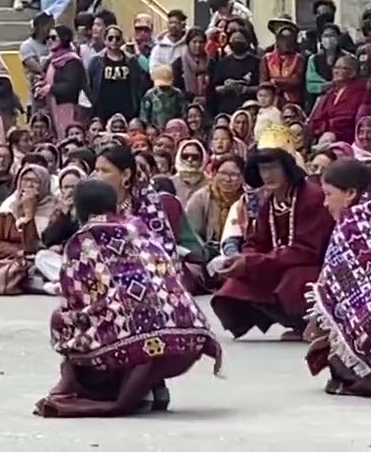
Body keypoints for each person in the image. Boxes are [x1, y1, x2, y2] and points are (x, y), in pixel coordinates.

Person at [34, 178, 223, 417]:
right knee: (141, 320)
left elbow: (75, 301)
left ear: (80, 209)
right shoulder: (139, 226)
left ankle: (99, 389)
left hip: (140, 346)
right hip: (188, 338)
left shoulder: (83, 240)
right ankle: (152, 385)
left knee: (64, 322)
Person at [211, 124, 335, 340]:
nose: (267, 175)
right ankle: (294, 324)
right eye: (263, 168)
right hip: (278, 264)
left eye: (273, 167)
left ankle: (315, 325)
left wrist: (253, 262)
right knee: (234, 286)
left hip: (318, 269)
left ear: (288, 166)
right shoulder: (268, 202)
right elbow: (255, 242)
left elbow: (307, 251)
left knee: (294, 280)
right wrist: (242, 260)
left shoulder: (312, 197)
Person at [307, 159, 371, 396]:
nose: (325, 203)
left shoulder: (351, 223)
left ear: (351, 193)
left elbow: (341, 285)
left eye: (328, 194)